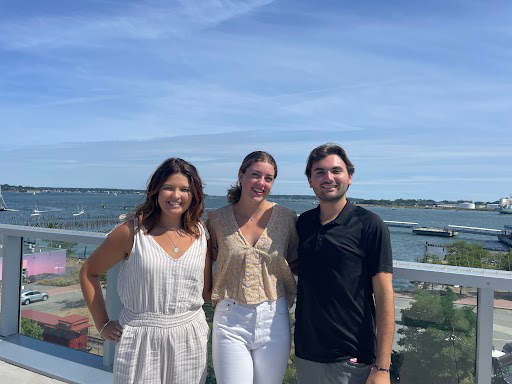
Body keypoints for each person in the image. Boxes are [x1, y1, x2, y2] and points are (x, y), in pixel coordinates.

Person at [80, 158, 212, 384]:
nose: (176, 195)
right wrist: (102, 324)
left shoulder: (201, 234)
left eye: (184, 189)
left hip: (190, 336)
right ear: (156, 191)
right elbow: (88, 272)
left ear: (194, 195)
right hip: (141, 338)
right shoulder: (132, 232)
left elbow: (205, 291)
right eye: (168, 187)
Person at [294, 143, 395, 384]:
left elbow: (384, 297)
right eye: (319, 172)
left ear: (350, 177)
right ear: (309, 180)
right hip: (306, 353)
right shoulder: (304, 223)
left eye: (336, 171)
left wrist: (383, 368)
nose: (328, 177)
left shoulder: (370, 225)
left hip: (351, 358)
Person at [206, 151, 298, 384]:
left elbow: (296, 261)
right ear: (241, 175)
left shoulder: (287, 218)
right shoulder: (217, 219)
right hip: (230, 319)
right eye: (256, 175)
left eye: (269, 178)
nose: (262, 183)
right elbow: (205, 259)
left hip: (274, 318)